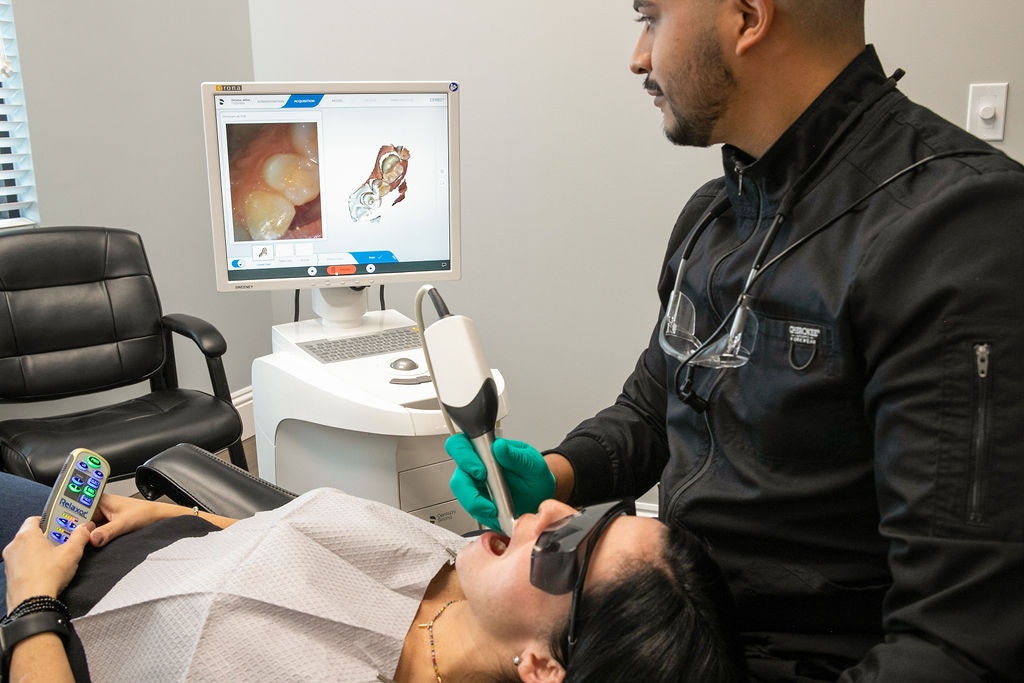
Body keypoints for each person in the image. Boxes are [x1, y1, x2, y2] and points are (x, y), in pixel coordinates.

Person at [446, 1, 1024, 681]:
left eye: (652, 17)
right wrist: (557, 470)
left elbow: (958, 644)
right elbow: (651, 409)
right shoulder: (715, 219)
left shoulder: (955, 232)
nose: (638, 55)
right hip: (674, 642)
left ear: (748, 17)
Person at [0, 471, 743, 682]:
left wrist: (30, 601)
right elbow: (297, 534)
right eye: (590, 512)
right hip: (111, 538)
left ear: (542, 665)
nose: (547, 509)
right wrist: (164, 514)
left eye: (565, 546)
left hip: (47, 627)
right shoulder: (455, 567)